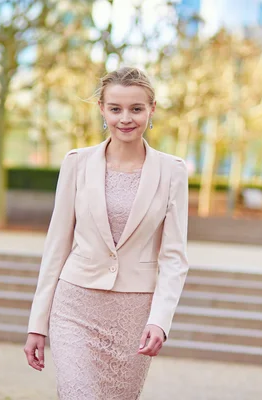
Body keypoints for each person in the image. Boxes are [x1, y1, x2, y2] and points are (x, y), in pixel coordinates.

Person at [23, 67, 190, 399]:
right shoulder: (76, 163)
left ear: (152, 109)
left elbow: (174, 257)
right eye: (115, 109)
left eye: (136, 109)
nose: (125, 118)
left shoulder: (173, 172)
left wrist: (160, 321)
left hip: (134, 316)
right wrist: (36, 324)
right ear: (102, 108)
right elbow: (56, 246)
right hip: (75, 306)